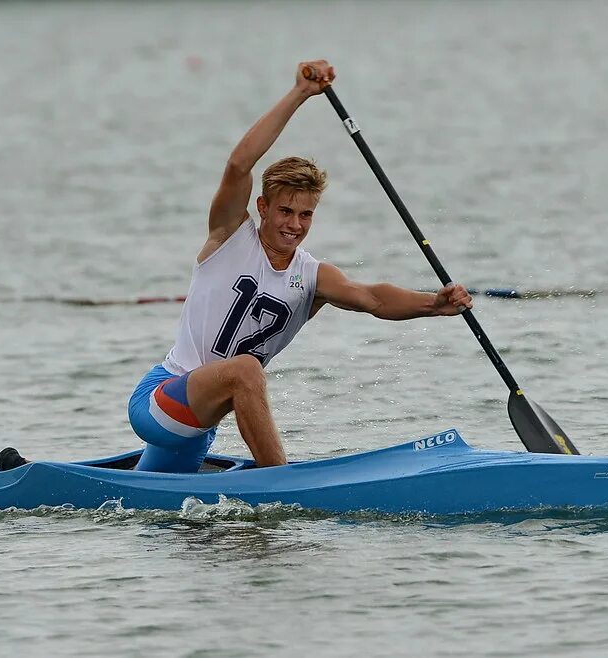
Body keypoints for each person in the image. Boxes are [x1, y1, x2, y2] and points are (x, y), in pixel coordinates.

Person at [122, 59, 473, 473]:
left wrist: (433, 304)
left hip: (200, 424)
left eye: (305, 215)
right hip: (160, 399)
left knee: (159, 513)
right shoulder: (230, 236)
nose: (294, 225)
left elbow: (372, 298)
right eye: (285, 211)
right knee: (246, 370)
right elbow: (239, 165)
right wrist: (300, 94)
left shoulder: (311, 275)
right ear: (262, 207)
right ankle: (280, 481)